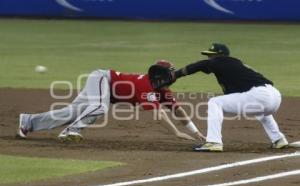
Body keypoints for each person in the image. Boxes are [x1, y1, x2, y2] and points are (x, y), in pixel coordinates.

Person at [17, 60, 205, 142]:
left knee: (73, 113)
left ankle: (28, 122)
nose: (174, 74)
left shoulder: (162, 90)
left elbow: (178, 111)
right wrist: (176, 133)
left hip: (103, 87)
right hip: (102, 78)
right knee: (99, 107)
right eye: (171, 71)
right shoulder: (145, 86)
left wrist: (196, 133)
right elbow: (159, 114)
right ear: (162, 74)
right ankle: (71, 130)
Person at [149, 43, 289, 152]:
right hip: (273, 96)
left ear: (221, 55)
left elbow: (201, 65)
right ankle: (278, 139)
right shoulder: (234, 67)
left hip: (261, 95)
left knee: (215, 102)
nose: (209, 58)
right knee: (260, 110)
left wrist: (176, 75)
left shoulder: (223, 60)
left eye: (212, 55)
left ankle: (214, 142)